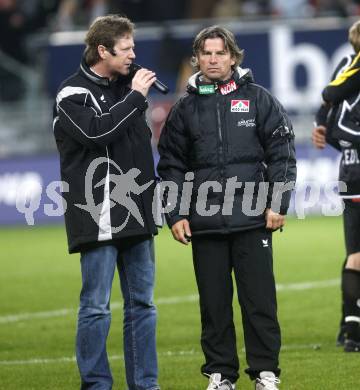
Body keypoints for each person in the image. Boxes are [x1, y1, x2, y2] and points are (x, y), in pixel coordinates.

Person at [158, 25, 296, 390]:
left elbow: (282, 155)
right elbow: (171, 166)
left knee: (259, 303)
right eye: (207, 53)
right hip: (204, 224)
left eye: (220, 53)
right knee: (214, 306)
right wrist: (175, 213)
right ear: (197, 59)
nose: (213, 59)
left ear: (233, 57)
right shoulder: (184, 108)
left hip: (253, 221)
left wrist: (277, 202)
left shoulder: (259, 99)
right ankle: (221, 374)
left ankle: (266, 373)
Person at [53, 15, 160, 389]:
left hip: (137, 212)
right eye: (127, 48)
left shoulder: (125, 90)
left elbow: (139, 150)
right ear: (103, 50)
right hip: (97, 214)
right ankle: (97, 384)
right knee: (96, 308)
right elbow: (97, 134)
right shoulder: (71, 94)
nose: (134, 54)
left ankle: (145, 384)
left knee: (143, 306)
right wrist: (135, 98)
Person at [312, 19, 360, 352]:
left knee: (355, 255)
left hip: (350, 168)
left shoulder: (346, 64)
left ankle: (349, 327)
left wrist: (319, 123)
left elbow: (328, 100)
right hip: (355, 168)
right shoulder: (352, 67)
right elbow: (331, 96)